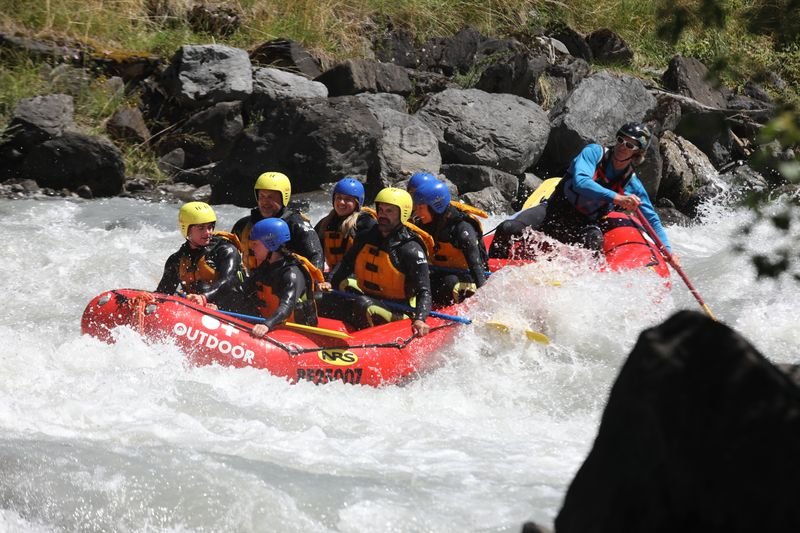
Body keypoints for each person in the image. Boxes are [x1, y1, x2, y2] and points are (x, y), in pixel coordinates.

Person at [489, 122, 676, 260]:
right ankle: (490, 272)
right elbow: (581, 182)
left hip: (583, 224)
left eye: (629, 145)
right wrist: (616, 197)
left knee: (594, 240)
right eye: (620, 140)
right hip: (553, 211)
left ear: (637, 153)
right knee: (507, 228)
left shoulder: (631, 183)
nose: (622, 146)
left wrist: (667, 251)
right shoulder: (594, 152)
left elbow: (651, 219)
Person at [327, 187, 433, 337]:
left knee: (364, 305)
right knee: (320, 299)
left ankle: (361, 343)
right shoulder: (366, 236)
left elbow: (424, 291)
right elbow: (346, 264)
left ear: (403, 214)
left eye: (389, 211)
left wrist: (420, 319)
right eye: (381, 210)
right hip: (367, 297)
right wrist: (329, 283)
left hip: (398, 309)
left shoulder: (411, 248)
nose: (383, 215)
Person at [156, 201, 246, 311]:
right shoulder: (176, 259)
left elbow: (228, 281)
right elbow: (163, 292)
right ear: (187, 230)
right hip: (198, 309)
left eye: (210, 227)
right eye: (201, 228)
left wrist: (205, 297)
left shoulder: (225, 251)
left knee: (205, 287)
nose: (208, 232)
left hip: (231, 308)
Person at [243, 218, 324, 338]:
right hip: (273, 326)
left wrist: (267, 324)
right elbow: (243, 290)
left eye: (255, 244)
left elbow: (287, 306)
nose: (252, 248)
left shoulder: (291, 273)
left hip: (298, 334)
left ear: (270, 244)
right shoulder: (265, 267)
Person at [412, 179, 488, 306]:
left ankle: (445, 309)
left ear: (435, 207)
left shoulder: (462, 229)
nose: (418, 213)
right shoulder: (424, 224)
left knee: (449, 282)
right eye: (417, 207)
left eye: (421, 208)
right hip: (440, 271)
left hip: (467, 276)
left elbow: (476, 268)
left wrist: (485, 299)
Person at [232, 171, 324, 272]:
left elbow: (315, 255)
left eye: (270, 197)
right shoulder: (244, 225)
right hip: (253, 281)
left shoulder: (297, 225)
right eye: (262, 196)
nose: (265, 202)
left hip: (288, 280)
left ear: (283, 197)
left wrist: (317, 282)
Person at [314, 177, 376, 274]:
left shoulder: (365, 223)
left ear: (357, 203)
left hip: (357, 276)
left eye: (348, 199)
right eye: (338, 197)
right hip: (335, 274)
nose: (341, 202)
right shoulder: (326, 223)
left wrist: (332, 278)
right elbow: (314, 250)